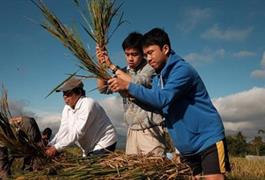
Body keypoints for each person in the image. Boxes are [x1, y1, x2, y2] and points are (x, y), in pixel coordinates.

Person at [107, 28, 231, 179]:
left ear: (165, 49)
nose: (148, 58)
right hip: (187, 146)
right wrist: (131, 95)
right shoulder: (159, 77)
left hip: (207, 139)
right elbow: (158, 106)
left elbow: (162, 98)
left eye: (151, 52)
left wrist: (128, 86)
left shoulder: (182, 70)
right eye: (145, 54)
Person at [96, 32, 166, 156]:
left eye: (134, 54)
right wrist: (100, 65)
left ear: (142, 54)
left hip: (150, 129)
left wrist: (111, 66)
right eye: (127, 54)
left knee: (154, 170)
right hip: (132, 130)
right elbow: (103, 89)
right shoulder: (122, 71)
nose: (130, 58)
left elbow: (137, 83)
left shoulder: (149, 68)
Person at [45, 77, 117, 158]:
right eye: (64, 94)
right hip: (89, 146)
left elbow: (78, 132)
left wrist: (56, 148)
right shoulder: (67, 108)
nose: (65, 97)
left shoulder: (88, 104)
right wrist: (51, 144)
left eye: (68, 94)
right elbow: (64, 129)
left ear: (79, 92)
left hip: (104, 142)